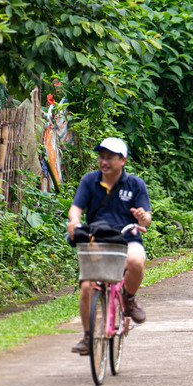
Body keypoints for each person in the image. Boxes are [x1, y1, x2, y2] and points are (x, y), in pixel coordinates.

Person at [67, 137, 152, 355]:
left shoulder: (135, 184)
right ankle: (88, 337)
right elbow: (76, 208)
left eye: (110, 158)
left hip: (127, 239)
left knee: (136, 261)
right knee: (87, 286)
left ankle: (129, 298)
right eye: (101, 157)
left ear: (123, 160)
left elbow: (146, 219)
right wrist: (74, 221)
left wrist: (142, 216)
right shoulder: (89, 181)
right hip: (98, 239)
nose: (104, 162)